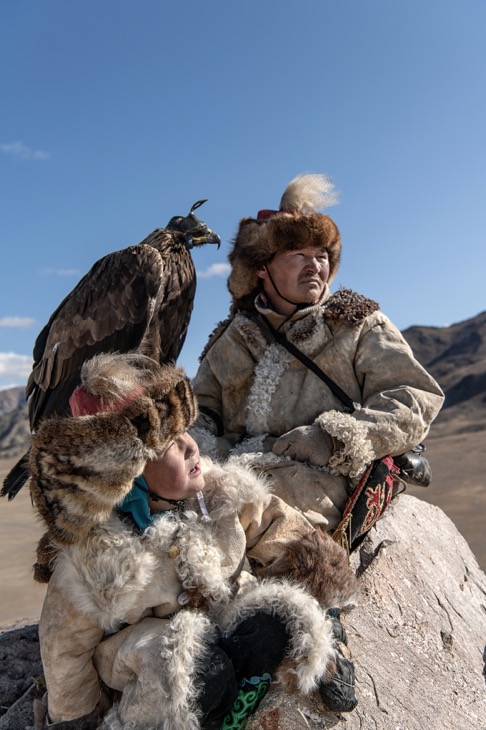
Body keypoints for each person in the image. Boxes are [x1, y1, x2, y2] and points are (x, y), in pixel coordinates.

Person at [30, 352, 359, 730]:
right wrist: (77, 719)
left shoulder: (221, 495)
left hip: (223, 619)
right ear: (125, 474)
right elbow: (64, 647)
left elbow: (276, 526)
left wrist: (326, 604)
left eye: (185, 429)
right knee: (190, 669)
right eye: (168, 442)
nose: (190, 445)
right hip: (152, 653)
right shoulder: (96, 562)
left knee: (276, 622)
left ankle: (238, 707)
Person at [191, 173, 445, 535]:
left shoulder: (355, 321)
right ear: (262, 268)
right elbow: (201, 413)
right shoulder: (232, 340)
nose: (316, 266)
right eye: (299, 255)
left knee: (257, 533)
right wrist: (200, 453)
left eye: (322, 255)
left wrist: (333, 439)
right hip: (237, 474)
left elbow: (415, 397)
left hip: (326, 485)